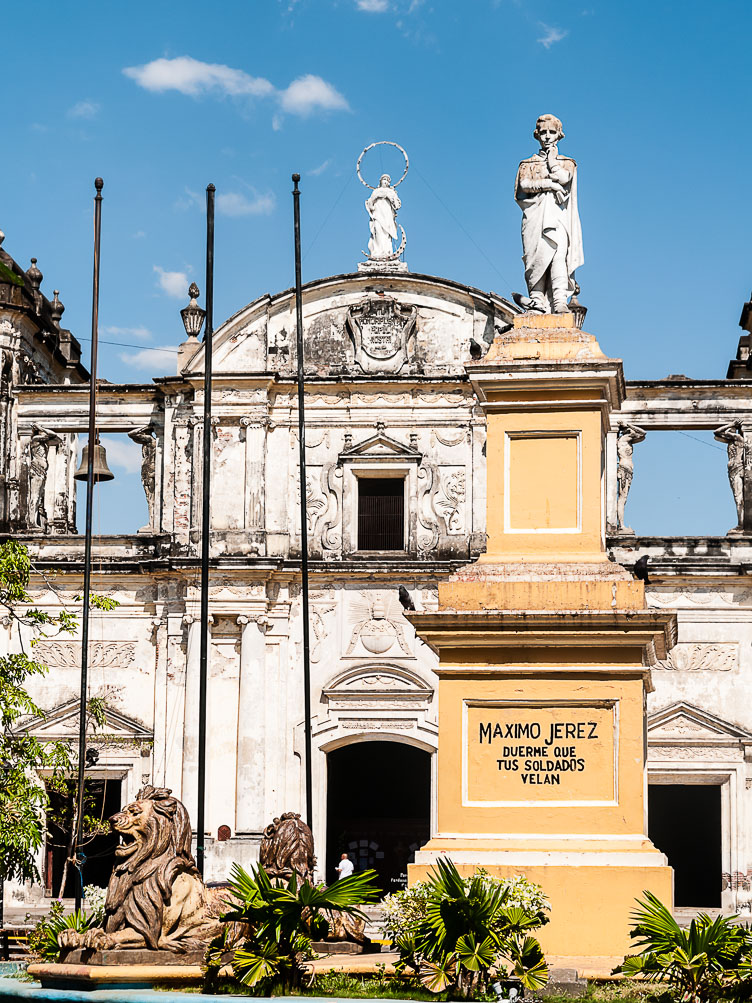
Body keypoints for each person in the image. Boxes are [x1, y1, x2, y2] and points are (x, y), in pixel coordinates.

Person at [514, 114, 583, 314]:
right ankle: (536, 301)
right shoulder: (527, 164)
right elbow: (523, 185)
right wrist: (550, 184)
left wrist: (552, 161)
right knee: (534, 258)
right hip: (534, 217)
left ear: (559, 135)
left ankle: (559, 301)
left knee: (558, 256)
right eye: (543, 132)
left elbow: (565, 178)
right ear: (537, 135)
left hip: (558, 217)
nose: (547, 136)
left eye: (551, 132)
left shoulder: (566, 162)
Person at [365, 175, 401, 259]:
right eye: (384, 179)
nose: (386, 181)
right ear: (380, 181)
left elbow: (397, 205)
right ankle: (377, 252)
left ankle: (387, 251)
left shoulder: (391, 192)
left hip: (387, 215)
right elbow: (370, 204)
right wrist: (377, 196)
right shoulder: (376, 191)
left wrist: (390, 197)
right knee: (377, 230)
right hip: (378, 214)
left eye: (388, 180)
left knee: (387, 233)